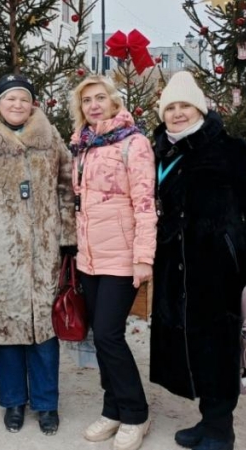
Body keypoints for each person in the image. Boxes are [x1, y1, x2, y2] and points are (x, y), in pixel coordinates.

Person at [149, 71, 246, 450]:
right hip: (174, 263)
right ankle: (208, 420)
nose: (177, 113)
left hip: (217, 264)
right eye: (170, 107)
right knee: (192, 343)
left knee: (218, 345)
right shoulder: (161, 151)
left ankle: (221, 429)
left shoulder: (228, 148)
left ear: (200, 109)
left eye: (184, 106)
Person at [0, 73, 75, 436]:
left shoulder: (50, 137)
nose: (17, 104)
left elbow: (66, 186)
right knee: (4, 329)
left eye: (23, 98)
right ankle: (13, 401)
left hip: (43, 251)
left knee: (44, 330)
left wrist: (67, 237)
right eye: (10, 98)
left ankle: (46, 403)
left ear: (32, 103)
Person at [68, 74, 156, 450]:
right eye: (87, 100)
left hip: (122, 256)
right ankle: (112, 408)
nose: (94, 105)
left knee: (108, 334)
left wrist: (143, 258)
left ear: (114, 101)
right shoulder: (82, 145)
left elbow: (145, 204)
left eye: (100, 98)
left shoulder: (133, 143)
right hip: (89, 257)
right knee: (100, 337)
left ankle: (136, 413)